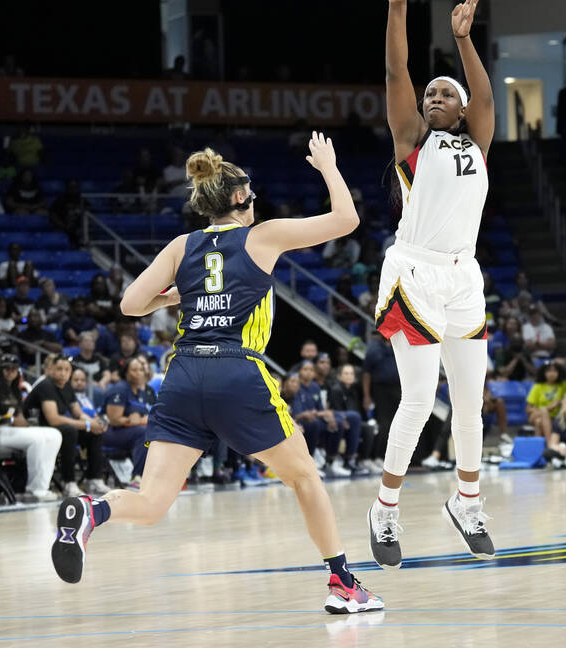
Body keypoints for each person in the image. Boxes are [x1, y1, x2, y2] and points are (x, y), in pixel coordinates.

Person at [49, 136, 383, 615]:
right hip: (236, 369)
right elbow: (346, 220)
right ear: (239, 199)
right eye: (252, 194)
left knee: (152, 502)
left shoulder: (181, 246)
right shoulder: (261, 236)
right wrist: (329, 167)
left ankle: (92, 511)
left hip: (183, 374)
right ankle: (343, 583)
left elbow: (129, 305)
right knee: (306, 477)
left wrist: (173, 297)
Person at [366, 0, 495, 569]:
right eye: (432, 91)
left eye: (449, 92)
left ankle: (466, 501)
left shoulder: (480, 141)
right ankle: (385, 510)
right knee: (418, 399)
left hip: (464, 276)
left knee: (470, 400)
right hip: (413, 273)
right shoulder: (411, 141)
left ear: (464, 108)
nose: (437, 94)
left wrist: (464, 39)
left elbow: (487, 96)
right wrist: (397, 8)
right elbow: (397, 72)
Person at [0, 354, 62, 502]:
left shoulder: (15, 389)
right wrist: (9, 419)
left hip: (12, 431)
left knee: (54, 434)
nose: (10, 372)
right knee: (37, 440)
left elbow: (19, 416)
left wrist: (25, 423)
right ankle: (35, 488)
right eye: (6, 369)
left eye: (13, 369)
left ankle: (43, 486)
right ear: (0, 370)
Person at [24, 354, 110, 499]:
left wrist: (94, 424)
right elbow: (53, 419)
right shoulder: (46, 385)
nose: (63, 373)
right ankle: (68, 482)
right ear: (51, 370)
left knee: (94, 433)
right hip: (35, 428)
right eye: (59, 369)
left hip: (55, 429)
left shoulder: (67, 386)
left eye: (66, 369)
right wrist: (86, 424)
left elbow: (77, 412)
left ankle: (94, 479)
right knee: (70, 432)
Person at [102, 355, 156, 485]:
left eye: (141, 370)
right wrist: (129, 420)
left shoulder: (142, 391)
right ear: (126, 372)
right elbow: (113, 420)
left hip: (130, 431)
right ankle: (136, 477)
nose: (139, 373)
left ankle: (155, 477)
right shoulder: (120, 389)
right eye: (134, 370)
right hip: (109, 431)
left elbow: (144, 417)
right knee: (143, 433)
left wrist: (140, 420)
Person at [361, 331, 399, 474]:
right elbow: (366, 373)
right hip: (380, 390)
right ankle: (377, 456)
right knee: (383, 424)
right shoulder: (374, 348)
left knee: (396, 424)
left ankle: (390, 458)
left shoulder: (397, 345)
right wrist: (366, 395)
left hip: (397, 389)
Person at [526, 361, 566, 441]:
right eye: (549, 371)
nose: (552, 373)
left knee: (538, 422)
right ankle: (550, 443)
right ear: (543, 373)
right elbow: (528, 409)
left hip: (555, 416)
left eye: (555, 371)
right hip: (536, 415)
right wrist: (549, 407)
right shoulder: (537, 386)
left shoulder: (563, 385)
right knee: (544, 413)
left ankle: (539, 448)